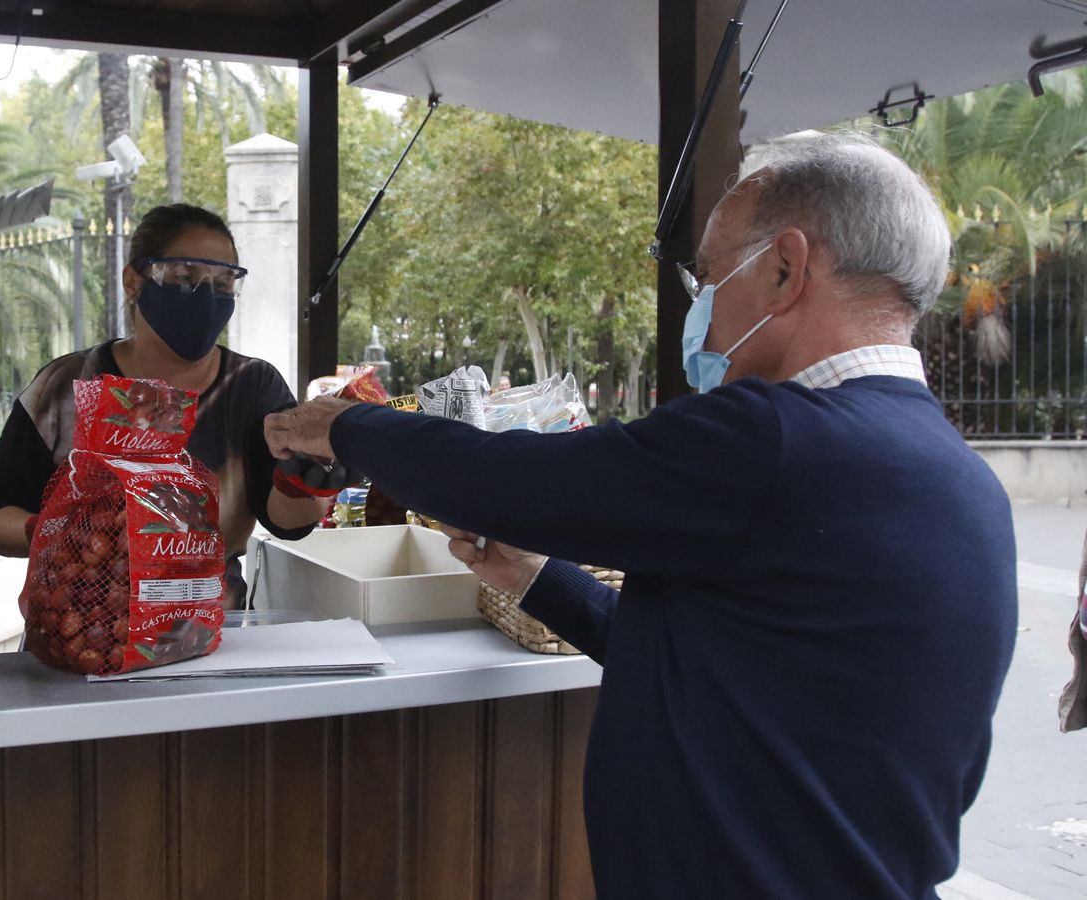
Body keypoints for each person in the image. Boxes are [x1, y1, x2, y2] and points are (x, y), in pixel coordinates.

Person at [262, 133, 1017, 898]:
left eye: (713, 276)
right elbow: (724, 670)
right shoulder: (965, 483)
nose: (705, 308)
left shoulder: (773, 438)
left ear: (786, 268)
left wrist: (343, 425)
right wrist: (539, 580)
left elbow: (507, 481)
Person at [0, 203, 331, 607]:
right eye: (183, 278)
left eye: (224, 284)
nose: (206, 297)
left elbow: (286, 523)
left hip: (208, 634)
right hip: (77, 634)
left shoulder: (251, 387)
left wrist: (306, 482)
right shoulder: (66, 384)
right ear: (133, 281)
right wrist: (45, 530)